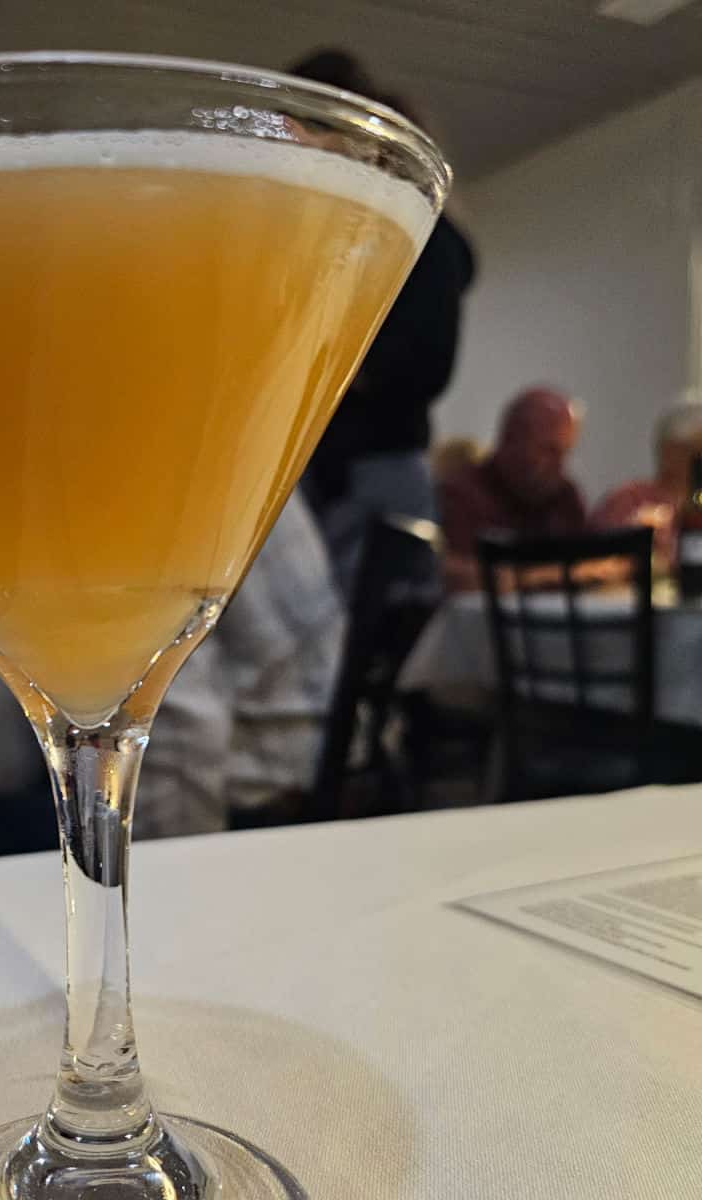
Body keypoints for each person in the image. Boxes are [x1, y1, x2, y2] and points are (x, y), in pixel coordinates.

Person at [288, 49, 476, 599]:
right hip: (336, 468)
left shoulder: (418, 234)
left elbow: (427, 363)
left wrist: (315, 364)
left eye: (298, 129)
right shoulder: (352, 235)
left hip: (377, 470)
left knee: (365, 629)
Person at [136, 492, 345, 837]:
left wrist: (178, 861)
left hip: (261, 788)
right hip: (325, 751)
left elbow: (180, 727)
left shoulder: (142, 483)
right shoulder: (233, 466)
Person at [439, 386, 588, 592]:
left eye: (566, 452)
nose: (559, 464)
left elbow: (589, 564)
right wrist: (545, 577)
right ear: (511, 439)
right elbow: (452, 575)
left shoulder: (565, 497)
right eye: (548, 450)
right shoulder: (461, 495)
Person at [591, 400, 702, 569]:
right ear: (669, 451)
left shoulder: (696, 502)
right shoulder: (628, 501)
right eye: (695, 452)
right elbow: (602, 564)